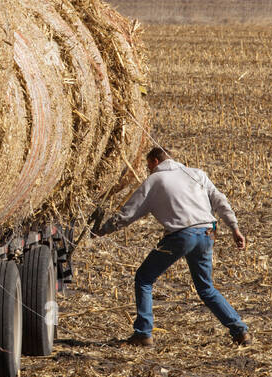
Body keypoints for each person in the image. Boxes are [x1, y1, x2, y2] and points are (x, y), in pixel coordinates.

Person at [93, 145, 249, 347]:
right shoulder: (196, 174)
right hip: (207, 233)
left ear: (155, 161)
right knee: (206, 288)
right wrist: (234, 227)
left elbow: (129, 213)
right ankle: (239, 330)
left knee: (144, 278)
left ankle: (143, 333)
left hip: (182, 235)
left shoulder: (155, 180)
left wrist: (102, 230)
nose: (148, 170)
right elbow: (219, 200)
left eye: (149, 166)